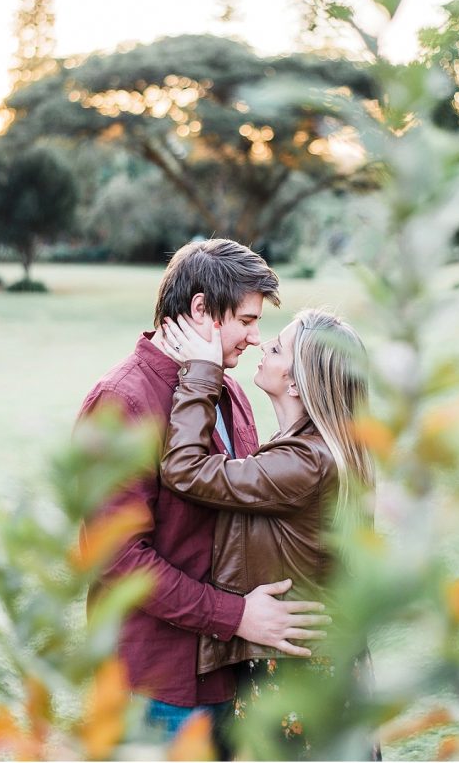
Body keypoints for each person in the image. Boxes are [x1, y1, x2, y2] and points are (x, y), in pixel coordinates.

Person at [77, 239, 331, 751]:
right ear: (201, 310)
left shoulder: (229, 390)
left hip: (228, 674)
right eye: (246, 320)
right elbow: (116, 556)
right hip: (155, 684)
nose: (256, 338)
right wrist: (234, 615)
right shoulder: (122, 401)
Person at [159, 308, 381, 760]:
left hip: (298, 669)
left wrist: (200, 374)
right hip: (314, 656)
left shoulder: (305, 462)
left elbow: (185, 469)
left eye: (277, 348)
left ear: (296, 383)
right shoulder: (316, 448)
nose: (262, 344)